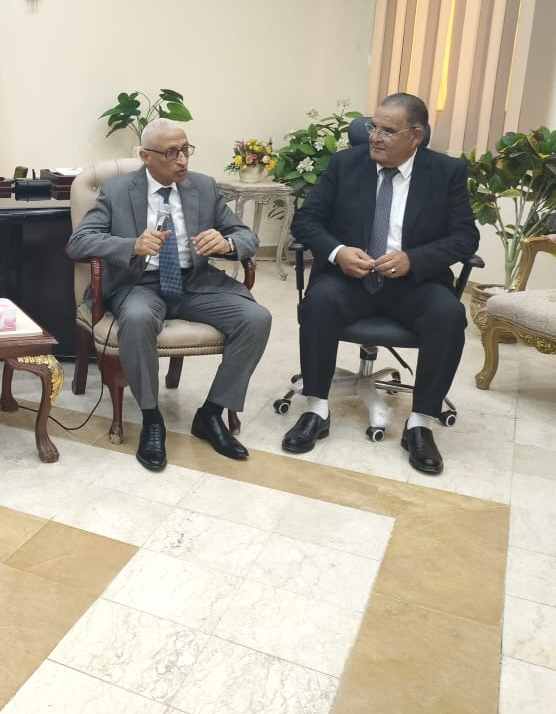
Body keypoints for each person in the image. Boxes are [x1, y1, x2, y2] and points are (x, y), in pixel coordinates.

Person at [283, 92, 479, 473]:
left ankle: (420, 423)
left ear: (416, 136)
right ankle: (316, 410)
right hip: (350, 278)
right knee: (319, 301)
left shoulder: (446, 172)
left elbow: (465, 237)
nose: (375, 137)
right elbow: (306, 221)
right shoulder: (345, 164)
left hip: (413, 284)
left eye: (388, 131)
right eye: (373, 127)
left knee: (449, 316)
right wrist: (338, 252)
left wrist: (414, 260)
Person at [67, 119, 271, 470]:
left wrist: (227, 242)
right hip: (139, 285)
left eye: (185, 150)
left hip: (195, 284)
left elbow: (246, 236)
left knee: (256, 318)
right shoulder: (117, 191)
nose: (182, 160)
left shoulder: (203, 187)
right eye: (171, 152)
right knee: (137, 319)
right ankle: (152, 418)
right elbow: (79, 242)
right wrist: (131, 245)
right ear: (146, 156)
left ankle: (210, 414)